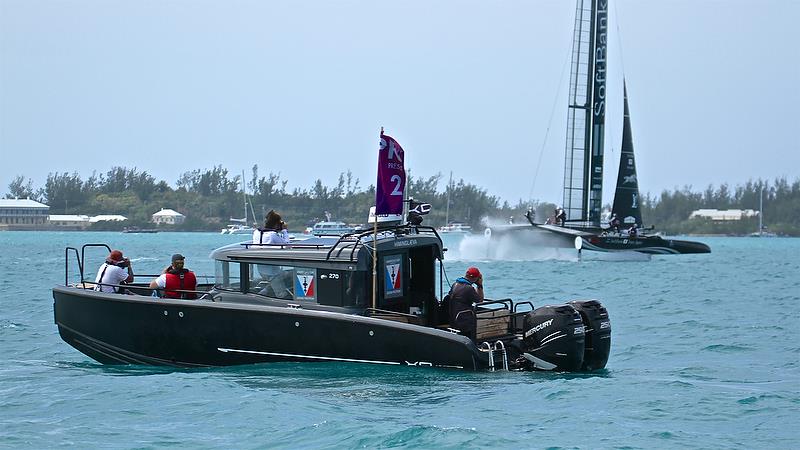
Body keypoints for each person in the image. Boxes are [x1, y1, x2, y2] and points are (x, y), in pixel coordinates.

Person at [448, 266, 485, 338]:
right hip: (464, 321)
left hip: (453, 318)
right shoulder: (469, 288)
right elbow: (480, 301)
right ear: (475, 278)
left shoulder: (455, 284)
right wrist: (480, 285)